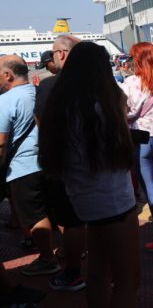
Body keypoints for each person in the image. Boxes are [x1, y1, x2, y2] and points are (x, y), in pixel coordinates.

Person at [38, 42, 140, 307]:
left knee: (97, 271)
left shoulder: (62, 107)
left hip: (85, 201)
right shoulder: (103, 107)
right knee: (127, 279)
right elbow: (122, 153)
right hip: (115, 202)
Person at [34, 34, 87, 292]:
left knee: (71, 219)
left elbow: (42, 124)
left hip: (63, 163)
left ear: (62, 54)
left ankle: (73, 273)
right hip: (99, 166)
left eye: (53, 52)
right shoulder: (101, 85)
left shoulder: (50, 86)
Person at [0, 55, 59, 277]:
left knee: (35, 216)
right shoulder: (39, 92)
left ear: (8, 75)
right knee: (58, 211)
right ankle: (72, 250)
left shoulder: (6, 101)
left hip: (23, 166)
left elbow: (1, 142)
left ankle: (47, 259)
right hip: (49, 161)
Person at [120, 42, 153, 252]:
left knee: (151, 189)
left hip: (142, 141)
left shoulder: (131, 82)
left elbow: (129, 113)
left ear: (138, 59)